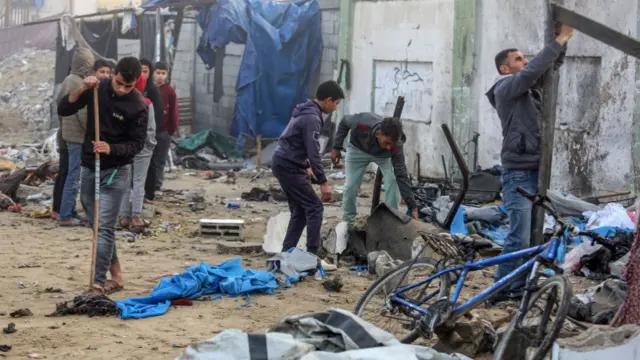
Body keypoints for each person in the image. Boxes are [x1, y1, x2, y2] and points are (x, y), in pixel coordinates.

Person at [485, 24, 574, 300]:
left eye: (525, 58)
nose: (524, 62)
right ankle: (498, 291)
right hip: (518, 174)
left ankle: (517, 287)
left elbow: (546, 70)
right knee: (518, 238)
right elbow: (534, 70)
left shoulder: (528, 91)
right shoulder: (505, 88)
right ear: (504, 69)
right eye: (518, 59)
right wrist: (560, 39)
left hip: (536, 171)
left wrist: (561, 46)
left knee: (533, 238)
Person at [57, 57, 148, 294]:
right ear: (114, 74)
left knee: (104, 226)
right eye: (119, 83)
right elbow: (64, 108)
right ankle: (116, 274)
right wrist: (83, 88)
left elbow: (137, 144)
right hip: (90, 166)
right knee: (98, 225)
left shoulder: (138, 105)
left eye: (129, 86)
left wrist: (111, 148)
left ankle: (98, 282)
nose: (122, 89)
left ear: (136, 82)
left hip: (117, 171)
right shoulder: (99, 88)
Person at [271, 80, 344, 255]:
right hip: (289, 166)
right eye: (336, 103)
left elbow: (294, 141)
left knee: (300, 211)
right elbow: (314, 152)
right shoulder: (312, 118)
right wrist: (323, 182)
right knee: (315, 207)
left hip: (284, 162)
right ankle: (312, 256)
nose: (335, 108)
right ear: (327, 100)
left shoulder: (304, 111)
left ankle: (286, 253)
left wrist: (305, 166)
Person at [331, 114, 418, 224]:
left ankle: (392, 221)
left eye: (392, 144)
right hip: (358, 150)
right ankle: (348, 222)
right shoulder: (362, 122)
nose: (389, 147)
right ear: (378, 134)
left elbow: (401, 174)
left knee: (393, 180)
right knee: (350, 186)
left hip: (384, 157)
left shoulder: (395, 145)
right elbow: (344, 121)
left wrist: (412, 206)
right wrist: (336, 147)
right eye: (387, 143)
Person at [58, 47, 95, 227]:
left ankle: (70, 211)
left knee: (71, 175)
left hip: (69, 134)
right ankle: (65, 215)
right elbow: (81, 114)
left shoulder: (69, 79)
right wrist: (90, 133)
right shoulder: (77, 82)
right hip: (76, 137)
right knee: (74, 176)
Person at [118, 74, 157, 229]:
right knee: (139, 181)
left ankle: (123, 216)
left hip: (125, 148)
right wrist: (150, 145)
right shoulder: (146, 103)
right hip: (143, 148)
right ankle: (136, 216)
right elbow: (151, 129)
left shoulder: (121, 102)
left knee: (124, 181)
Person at [139, 58, 165, 201]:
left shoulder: (152, 90)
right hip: (133, 135)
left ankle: (149, 193)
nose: (143, 74)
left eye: (145, 71)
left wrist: (153, 132)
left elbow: (159, 113)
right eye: (140, 71)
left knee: (151, 163)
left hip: (149, 134)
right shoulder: (131, 87)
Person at [150, 61, 178, 192]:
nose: (160, 76)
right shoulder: (148, 89)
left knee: (160, 160)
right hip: (149, 131)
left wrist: (170, 131)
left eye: (163, 73)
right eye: (158, 73)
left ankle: (156, 186)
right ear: (153, 73)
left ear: (167, 75)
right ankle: (146, 186)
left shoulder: (169, 91)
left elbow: (174, 112)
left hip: (164, 132)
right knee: (149, 160)